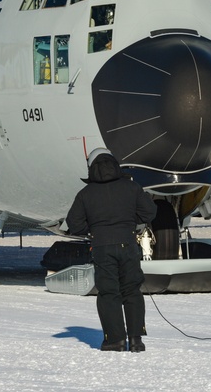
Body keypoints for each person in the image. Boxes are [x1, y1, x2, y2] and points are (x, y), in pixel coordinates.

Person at [65, 147, 157, 352]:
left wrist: (94, 230)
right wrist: (131, 222)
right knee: (132, 290)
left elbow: (74, 224)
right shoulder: (131, 187)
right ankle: (135, 339)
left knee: (109, 293)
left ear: (91, 167)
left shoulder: (85, 194)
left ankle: (115, 340)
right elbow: (149, 212)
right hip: (128, 243)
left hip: (102, 247)